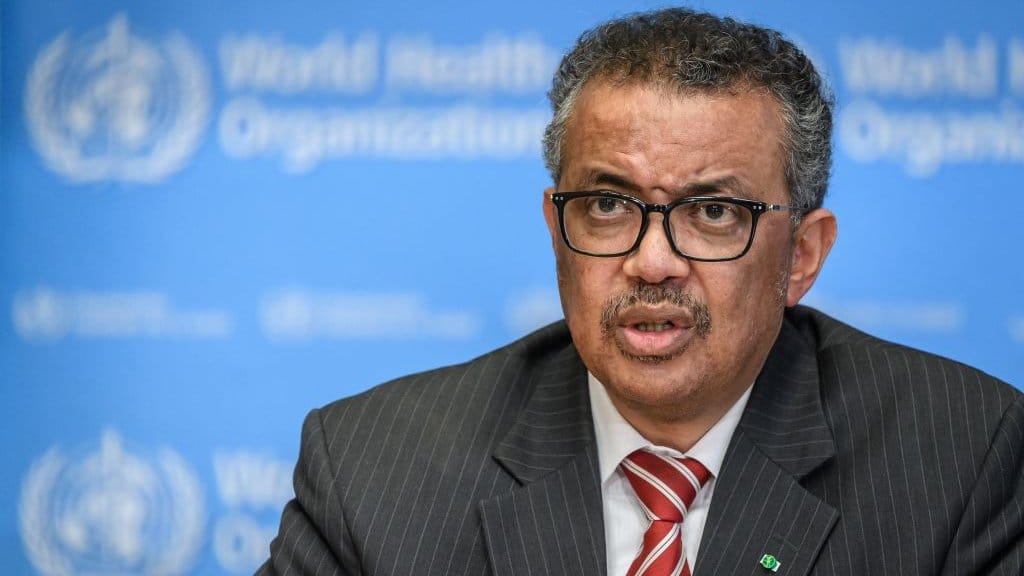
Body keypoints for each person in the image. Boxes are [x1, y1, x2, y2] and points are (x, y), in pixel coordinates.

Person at [259, 7, 1023, 576]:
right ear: (556, 228)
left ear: (801, 255)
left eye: (714, 212)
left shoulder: (962, 459)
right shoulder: (372, 470)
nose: (652, 262)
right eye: (607, 204)